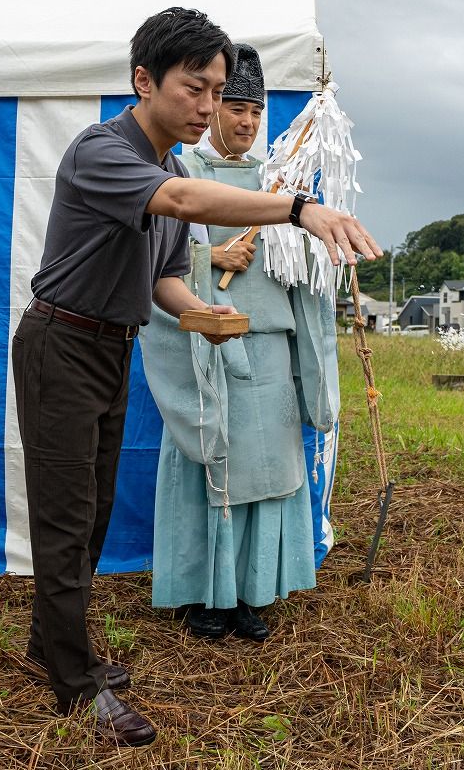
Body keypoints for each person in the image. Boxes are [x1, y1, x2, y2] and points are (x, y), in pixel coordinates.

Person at [13, 8, 379, 746]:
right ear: (143, 81)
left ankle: (50, 644)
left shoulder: (173, 168)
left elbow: (165, 277)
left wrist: (201, 314)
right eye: (196, 88)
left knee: (91, 513)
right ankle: (76, 683)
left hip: (110, 346)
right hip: (61, 344)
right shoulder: (103, 151)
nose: (210, 107)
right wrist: (298, 208)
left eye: (219, 92)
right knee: (65, 516)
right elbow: (180, 205)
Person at [141, 43, 334, 642]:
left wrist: (312, 244)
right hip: (209, 346)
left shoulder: (278, 184)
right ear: (213, 109)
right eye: (235, 108)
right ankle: (206, 593)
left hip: (271, 348)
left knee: (271, 470)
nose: (247, 122)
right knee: (212, 464)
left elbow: (301, 270)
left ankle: (253, 589)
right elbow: (153, 260)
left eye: (255, 111)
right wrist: (209, 257)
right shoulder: (181, 174)